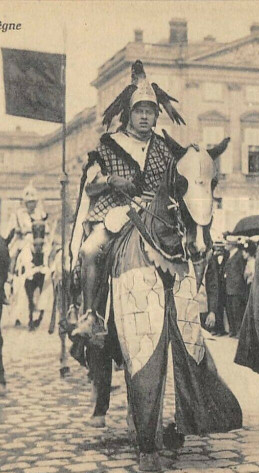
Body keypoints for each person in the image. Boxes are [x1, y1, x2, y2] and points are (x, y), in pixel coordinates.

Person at [69, 61, 181, 345]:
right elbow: (90, 185)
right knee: (92, 249)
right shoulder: (108, 144)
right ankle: (91, 313)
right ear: (129, 114)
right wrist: (110, 181)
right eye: (139, 111)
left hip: (156, 217)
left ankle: (190, 317)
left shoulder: (165, 149)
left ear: (156, 116)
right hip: (116, 213)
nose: (144, 117)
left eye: (149, 112)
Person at [224, 242, 248, 337]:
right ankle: (233, 330)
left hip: (237, 287)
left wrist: (241, 284)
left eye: (228, 243)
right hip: (229, 286)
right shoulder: (229, 254)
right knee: (230, 309)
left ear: (233, 244)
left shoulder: (239, 255)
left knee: (237, 310)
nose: (226, 245)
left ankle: (239, 331)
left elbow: (242, 271)